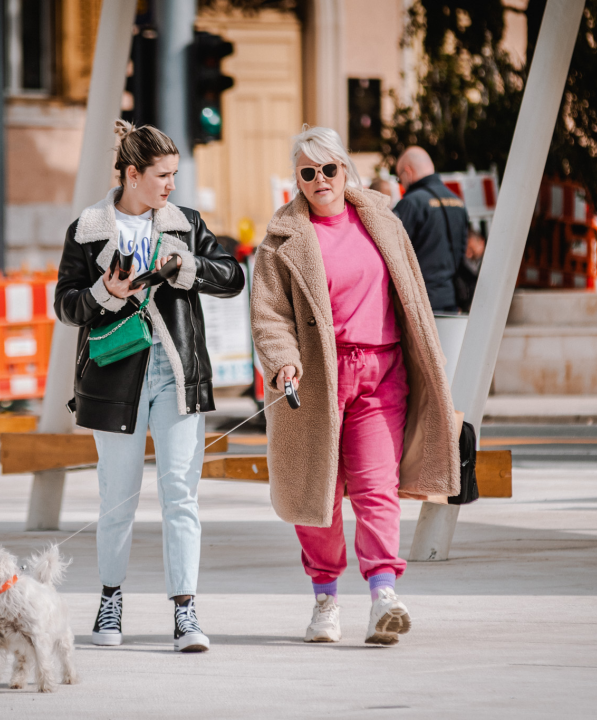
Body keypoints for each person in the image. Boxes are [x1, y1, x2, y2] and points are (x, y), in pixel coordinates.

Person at [250, 126, 461, 646]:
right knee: (317, 491)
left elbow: (412, 293)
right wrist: (283, 362)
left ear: (345, 169)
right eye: (308, 172)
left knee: (376, 487)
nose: (319, 180)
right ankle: (325, 600)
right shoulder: (280, 240)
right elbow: (270, 315)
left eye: (329, 168)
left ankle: (383, 595)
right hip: (315, 378)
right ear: (297, 179)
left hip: (381, 372)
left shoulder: (383, 222)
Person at [54, 120, 245, 652]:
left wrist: (186, 265)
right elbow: (65, 305)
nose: (171, 185)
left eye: (174, 175)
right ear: (132, 174)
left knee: (180, 493)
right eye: (162, 175)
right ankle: (110, 601)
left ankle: (185, 611)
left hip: (176, 373)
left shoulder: (186, 223)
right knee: (117, 497)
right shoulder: (87, 228)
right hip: (114, 375)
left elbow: (232, 277)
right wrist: (104, 292)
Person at [392, 147, 469, 313]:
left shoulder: (411, 204)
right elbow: (462, 251)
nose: (401, 183)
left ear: (408, 172)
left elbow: (392, 252)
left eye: (399, 178)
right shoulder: (458, 202)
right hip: (452, 297)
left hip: (421, 302)